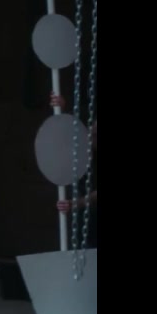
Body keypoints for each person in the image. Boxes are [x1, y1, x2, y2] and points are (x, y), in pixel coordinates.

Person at [49, 94, 97, 248]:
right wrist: (62, 110)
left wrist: (75, 204)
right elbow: (74, 134)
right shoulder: (84, 145)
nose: (91, 136)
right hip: (84, 219)